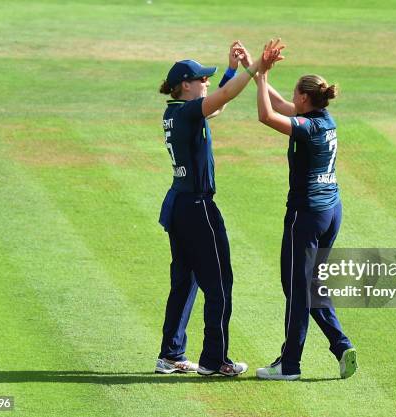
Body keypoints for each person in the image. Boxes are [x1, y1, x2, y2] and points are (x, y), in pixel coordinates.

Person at [155, 41, 281, 377]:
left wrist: (230, 70)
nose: (207, 82)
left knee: (185, 281)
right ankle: (214, 360)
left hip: (179, 205)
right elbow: (223, 99)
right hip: (197, 208)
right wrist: (254, 69)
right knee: (220, 284)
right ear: (186, 84)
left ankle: (171, 355)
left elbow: (216, 105)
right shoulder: (187, 112)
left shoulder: (175, 112)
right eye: (202, 79)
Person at [242, 39, 357, 380]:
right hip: (330, 211)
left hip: (306, 216)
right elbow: (278, 103)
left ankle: (289, 365)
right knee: (311, 287)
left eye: (296, 93)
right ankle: (341, 345)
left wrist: (261, 73)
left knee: (296, 289)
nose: (292, 98)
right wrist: (255, 69)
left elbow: (267, 114)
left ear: (305, 98)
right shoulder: (324, 120)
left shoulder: (308, 128)